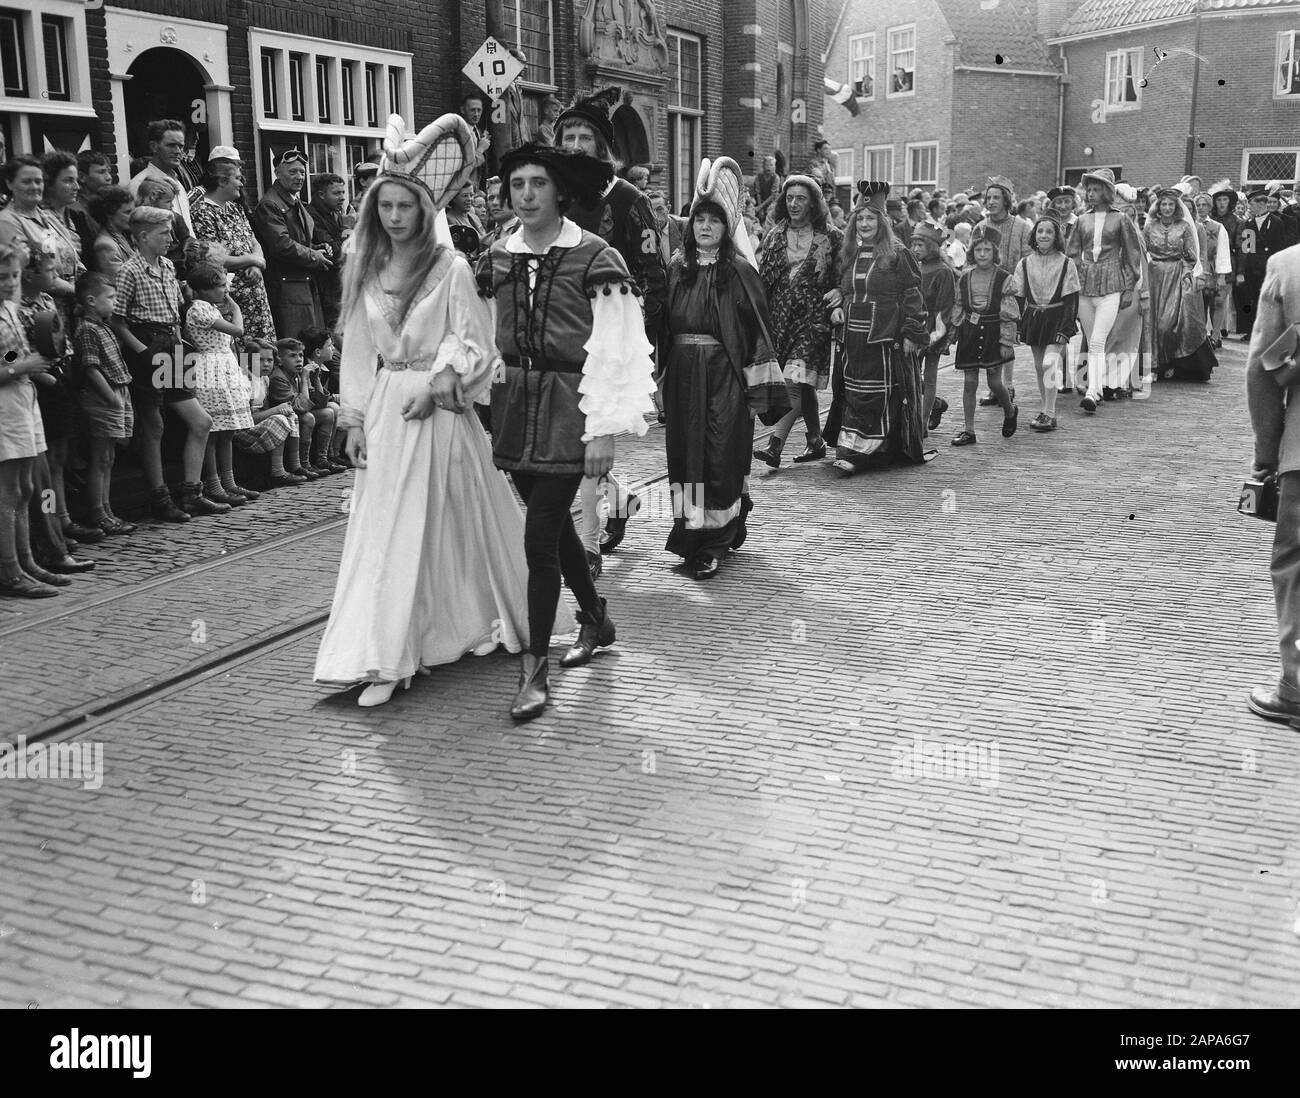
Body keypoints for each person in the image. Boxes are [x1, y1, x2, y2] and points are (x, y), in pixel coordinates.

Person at [315, 113, 539, 708]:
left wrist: (440, 378)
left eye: (404, 206)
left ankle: (447, 632)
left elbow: (476, 342)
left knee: (449, 522)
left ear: (423, 208)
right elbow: (359, 352)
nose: (393, 217)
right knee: (384, 528)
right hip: (388, 410)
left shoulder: (452, 268)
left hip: (438, 410)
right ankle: (385, 650)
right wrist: (355, 419)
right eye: (384, 205)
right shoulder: (361, 265)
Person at [478, 142, 656, 721]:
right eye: (517, 184)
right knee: (552, 534)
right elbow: (480, 333)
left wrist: (601, 430)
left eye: (537, 183)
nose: (525, 194)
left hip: (570, 410)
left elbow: (617, 350)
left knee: (538, 539)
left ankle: (534, 667)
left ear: (559, 191)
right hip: (514, 410)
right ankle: (596, 618)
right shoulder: (497, 257)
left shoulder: (598, 258)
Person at [554, 87, 664, 564]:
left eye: (585, 137)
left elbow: (652, 275)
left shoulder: (626, 199)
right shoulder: (551, 193)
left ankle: (589, 546)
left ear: (602, 147)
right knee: (570, 443)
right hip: (557, 334)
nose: (576, 144)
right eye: (569, 136)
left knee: (586, 437)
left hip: (606, 339)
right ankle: (618, 499)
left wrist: (630, 331)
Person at [662, 157, 785, 578]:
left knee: (719, 455)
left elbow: (758, 335)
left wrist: (757, 393)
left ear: (726, 227)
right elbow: (661, 327)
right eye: (699, 221)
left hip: (724, 380)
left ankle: (716, 541)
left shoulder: (739, 272)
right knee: (684, 457)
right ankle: (689, 533)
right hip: (681, 377)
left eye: (714, 221)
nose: (705, 228)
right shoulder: (677, 268)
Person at [111, 205, 222, 521]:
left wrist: (180, 343)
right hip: (146, 345)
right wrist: (142, 351)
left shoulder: (168, 268)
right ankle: (160, 497)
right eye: (164, 233)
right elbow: (117, 321)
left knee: (200, 421)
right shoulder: (129, 271)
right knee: (153, 425)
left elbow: (175, 313)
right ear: (144, 236)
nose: (170, 239)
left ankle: (191, 493)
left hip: (171, 346)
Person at [822, 181, 928, 472]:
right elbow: (846, 290)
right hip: (852, 339)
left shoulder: (898, 252)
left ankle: (869, 454)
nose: (865, 223)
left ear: (882, 222)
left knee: (878, 395)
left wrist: (911, 332)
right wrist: (837, 307)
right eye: (860, 218)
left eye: (871, 218)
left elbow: (912, 294)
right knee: (852, 393)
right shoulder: (849, 253)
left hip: (883, 337)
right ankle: (851, 448)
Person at [1244, 241, 1300, 726]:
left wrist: (1269, 454)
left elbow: (1262, 367)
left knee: (1297, 563)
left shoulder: (1289, 266)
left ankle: (1298, 687)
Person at [752, 175, 842, 467]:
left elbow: (845, 275)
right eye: (789, 198)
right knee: (802, 383)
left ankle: (774, 444)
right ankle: (815, 440)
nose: (794, 204)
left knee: (794, 377)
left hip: (813, 317)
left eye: (801, 198)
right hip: (780, 317)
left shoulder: (832, 236)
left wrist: (840, 291)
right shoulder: (774, 235)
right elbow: (763, 280)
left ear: (813, 202)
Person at [0, 242, 66, 598]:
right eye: (2, 277)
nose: (10, 283)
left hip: (24, 398)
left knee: (26, 488)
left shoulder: (8, 310)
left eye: (12, 276)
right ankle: (10, 569)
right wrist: (17, 367)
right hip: (4, 405)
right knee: (9, 491)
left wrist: (19, 360)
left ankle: (27, 562)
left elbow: (6, 350)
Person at [1065, 168, 1144, 415]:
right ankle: (1097, 389)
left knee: (1098, 340)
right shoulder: (1081, 220)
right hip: (1085, 286)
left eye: (1096, 189)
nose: (1090, 193)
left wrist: (1130, 286)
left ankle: (1091, 392)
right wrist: (1074, 281)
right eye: (1088, 189)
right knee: (1092, 341)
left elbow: (1132, 254)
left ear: (1107, 192)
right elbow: (1072, 254)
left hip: (1112, 284)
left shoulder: (1121, 219)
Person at [185, 262, 259, 507]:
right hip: (211, 368)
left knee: (227, 431)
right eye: (219, 287)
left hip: (224, 365)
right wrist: (236, 306)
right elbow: (237, 330)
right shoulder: (199, 309)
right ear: (204, 290)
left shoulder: (210, 307)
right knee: (215, 431)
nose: (224, 291)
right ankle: (214, 484)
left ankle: (229, 481)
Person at [72, 272, 136, 535]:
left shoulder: (103, 326)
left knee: (108, 458)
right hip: (104, 396)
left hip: (118, 391)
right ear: (90, 300)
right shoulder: (87, 329)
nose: (114, 302)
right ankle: (99, 513)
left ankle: (107, 509)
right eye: (110, 298)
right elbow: (90, 367)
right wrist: (110, 397)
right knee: (100, 458)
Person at [190, 152, 275, 344]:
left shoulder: (235, 208)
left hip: (256, 298)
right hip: (232, 298)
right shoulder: (203, 213)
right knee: (242, 355)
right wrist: (252, 260)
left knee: (261, 354)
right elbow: (212, 258)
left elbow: (253, 240)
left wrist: (257, 263)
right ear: (221, 181)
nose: (241, 183)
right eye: (237, 179)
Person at [949, 224, 1019, 446]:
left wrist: (1007, 340)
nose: (982, 254)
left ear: (994, 252)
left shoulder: (1004, 278)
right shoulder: (965, 278)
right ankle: (969, 430)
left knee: (994, 382)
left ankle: (1009, 410)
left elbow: (1009, 313)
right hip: (970, 333)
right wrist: (953, 333)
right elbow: (959, 306)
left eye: (987, 250)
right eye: (978, 250)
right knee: (969, 383)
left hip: (992, 332)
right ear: (972, 252)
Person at [252, 148, 331, 339]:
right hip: (287, 288)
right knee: (296, 344)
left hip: (303, 285)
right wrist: (314, 256)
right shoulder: (270, 204)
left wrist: (316, 249)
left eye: (302, 172)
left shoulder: (294, 201)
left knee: (311, 346)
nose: (299, 177)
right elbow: (281, 245)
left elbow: (299, 240)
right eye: (292, 172)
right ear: (278, 174)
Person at [1011, 216, 1080, 432]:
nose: (1044, 236)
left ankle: (1050, 413)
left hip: (1057, 318)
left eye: (1049, 232)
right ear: (1034, 235)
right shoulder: (1024, 263)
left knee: (1049, 363)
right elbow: (1018, 297)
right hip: (1034, 318)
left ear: (1056, 236)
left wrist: (1066, 327)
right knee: (1039, 366)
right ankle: (1044, 409)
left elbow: (1071, 299)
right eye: (1040, 231)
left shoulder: (1066, 263)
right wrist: (1017, 325)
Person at [1142, 187, 1218, 383]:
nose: (1167, 208)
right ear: (1158, 206)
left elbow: (1191, 255)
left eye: (1171, 204)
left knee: (1167, 325)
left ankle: (1169, 362)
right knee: (1151, 323)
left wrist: (1186, 274)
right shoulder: (1149, 227)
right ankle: (1154, 366)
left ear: (1176, 207)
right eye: (1164, 204)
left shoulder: (1184, 226)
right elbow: (1142, 252)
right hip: (1154, 275)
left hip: (1176, 275)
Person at [976, 176, 1031, 406]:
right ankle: (994, 386)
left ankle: (1007, 386)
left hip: (1012, 289)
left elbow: (1028, 259)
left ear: (1006, 200)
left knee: (1007, 337)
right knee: (989, 338)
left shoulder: (1022, 226)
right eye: (988, 198)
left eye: (996, 197)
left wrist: (1021, 289)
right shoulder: (980, 227)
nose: (991, 202)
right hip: (986, 290)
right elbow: (973, 257)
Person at [910, 221, 956, 433]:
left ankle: (923, 421)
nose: (916, 249)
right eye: (915, 245)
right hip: (913, 328)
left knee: (929, 377)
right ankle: (934, 406)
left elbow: (945, 307)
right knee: (910, 374)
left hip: (933, 331)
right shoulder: (913, 267)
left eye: (921, 245)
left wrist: (934, 336)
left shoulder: (942, 271)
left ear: (932, 246)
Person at [1234, 188, 1288, 340]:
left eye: (1252, 204)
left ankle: (1267, 331)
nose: (1249, 207)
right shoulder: (1248, 223)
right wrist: (1241, 270)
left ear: (1262, 204)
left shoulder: (1276, 222)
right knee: (1250, 298)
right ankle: (1251, 330)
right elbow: (1246, 248)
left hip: (1268, 266)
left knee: (1266, 298)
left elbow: (1279, 246)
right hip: (1251, 266)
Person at [128, 119, 195, 236]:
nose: (178, 151)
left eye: (181, 146)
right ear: (154, 146)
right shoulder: (138, 186)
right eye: (171, 145)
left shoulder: (178, 183)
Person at [298, 326, 346, 471]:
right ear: (318, 352)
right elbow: (310, 403)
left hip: (310, 408)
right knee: (332, 409)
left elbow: (321, 401)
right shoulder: (304, 369)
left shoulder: (321, 368)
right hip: (301, 410)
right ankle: (320, 458)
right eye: (329, 345)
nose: (332, 348)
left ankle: (329, 456)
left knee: (335, 408)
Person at [306, 171, 348, 330]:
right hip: (325, 287)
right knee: (335, 330)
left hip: (338, 284)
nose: (342, 197)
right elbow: (336, 252)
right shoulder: (311, 215)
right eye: (336, 193)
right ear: (321, 194)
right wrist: (348, 230)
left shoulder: (335, 214)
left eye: (343, 192)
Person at [1193, 191, 1232, 348]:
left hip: (1210, 268)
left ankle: (1215, 335)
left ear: (1210, 207)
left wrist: (1222, 275)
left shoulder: (1217, 227)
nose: (1201, 208)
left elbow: (1223, 251)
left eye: (1205, 205)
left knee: (1213, 302)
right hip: (1192, 268)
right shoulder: (1189, 224)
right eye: (1198, 205)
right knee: (1196, 304)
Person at [72, 150, 114, 263]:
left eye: (109, 172)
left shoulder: (108, 203)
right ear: (82, 177)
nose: (108, 177)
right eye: (101, 172)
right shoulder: (77, 211)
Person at [89, 186, 135, 280]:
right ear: (110, 214)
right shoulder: (105, 245)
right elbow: (121, 283)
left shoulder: (122, 235)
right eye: (127, 212)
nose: (132, 216)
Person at [444, 181, 485, 258]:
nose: (470, 199)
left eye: (471, 195)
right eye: (465, 195)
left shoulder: (474, 217)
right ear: (453, 198)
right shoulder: (449, 220)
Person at [752, 154, 781, 224]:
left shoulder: (776, 178)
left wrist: (760, 207)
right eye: (766, 165)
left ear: (775, 167)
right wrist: (759, 208)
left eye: (771, 165)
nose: (768, 167)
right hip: (759, 201)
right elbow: (757, 192)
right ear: (763, 166)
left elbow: (773, 195)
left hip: (771, 203)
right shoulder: (758, 177)